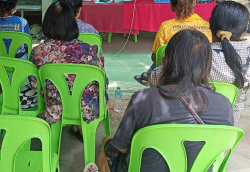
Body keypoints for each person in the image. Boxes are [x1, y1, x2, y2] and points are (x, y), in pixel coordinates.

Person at [98, 30, 234, 172]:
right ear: (207, 64)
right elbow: (222, 152)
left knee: (106, 142)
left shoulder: (143, 99)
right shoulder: (224, 105)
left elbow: (121, 147)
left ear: (166, 60)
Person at [29, 1, 108, 140]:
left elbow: (34, 84)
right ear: (72, 23)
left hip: (55, 107)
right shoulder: (87, 49)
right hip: (87, 108)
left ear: (47, 24)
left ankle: (64, 132)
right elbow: (102, 83)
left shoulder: (38, 52)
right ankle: (81, 127)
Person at [134, 0, 212, 85]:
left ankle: (147, 75)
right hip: (201, 77)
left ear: (171, 7)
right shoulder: (208, 26)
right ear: (194, 2)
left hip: (173, 78)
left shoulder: (166, 27)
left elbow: (156, 58)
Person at [209, 1, 250, 123]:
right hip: (230, 121)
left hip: (194, 118)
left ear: (210, 24)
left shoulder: (200, 53)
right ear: (244, 30)